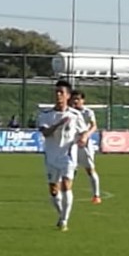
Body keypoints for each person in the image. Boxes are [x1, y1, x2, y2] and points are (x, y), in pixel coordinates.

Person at [37, 79, 88, 231]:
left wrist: (83, 139)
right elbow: (45, 133)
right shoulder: (46, 114)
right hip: (51, 156)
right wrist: (59, 123)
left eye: (61, 92)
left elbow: (83, 131)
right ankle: (61, 215)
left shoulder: (75, 115)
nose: (58, 95)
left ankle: (65, 220)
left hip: (68, 156)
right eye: (56, 92)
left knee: (66, 185)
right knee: (54, 190)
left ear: (68, 96)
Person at [69, 90, 102, 204]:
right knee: (70, 169)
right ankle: (67, 192)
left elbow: (94, 126)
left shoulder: (88, 112)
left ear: (83, 100)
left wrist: (86, 136)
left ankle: (96, 195)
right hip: (71, 143)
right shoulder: (68, 112)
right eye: (73, 98)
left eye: (78, 99)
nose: (75, 101)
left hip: (84, 144)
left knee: (89, 169)